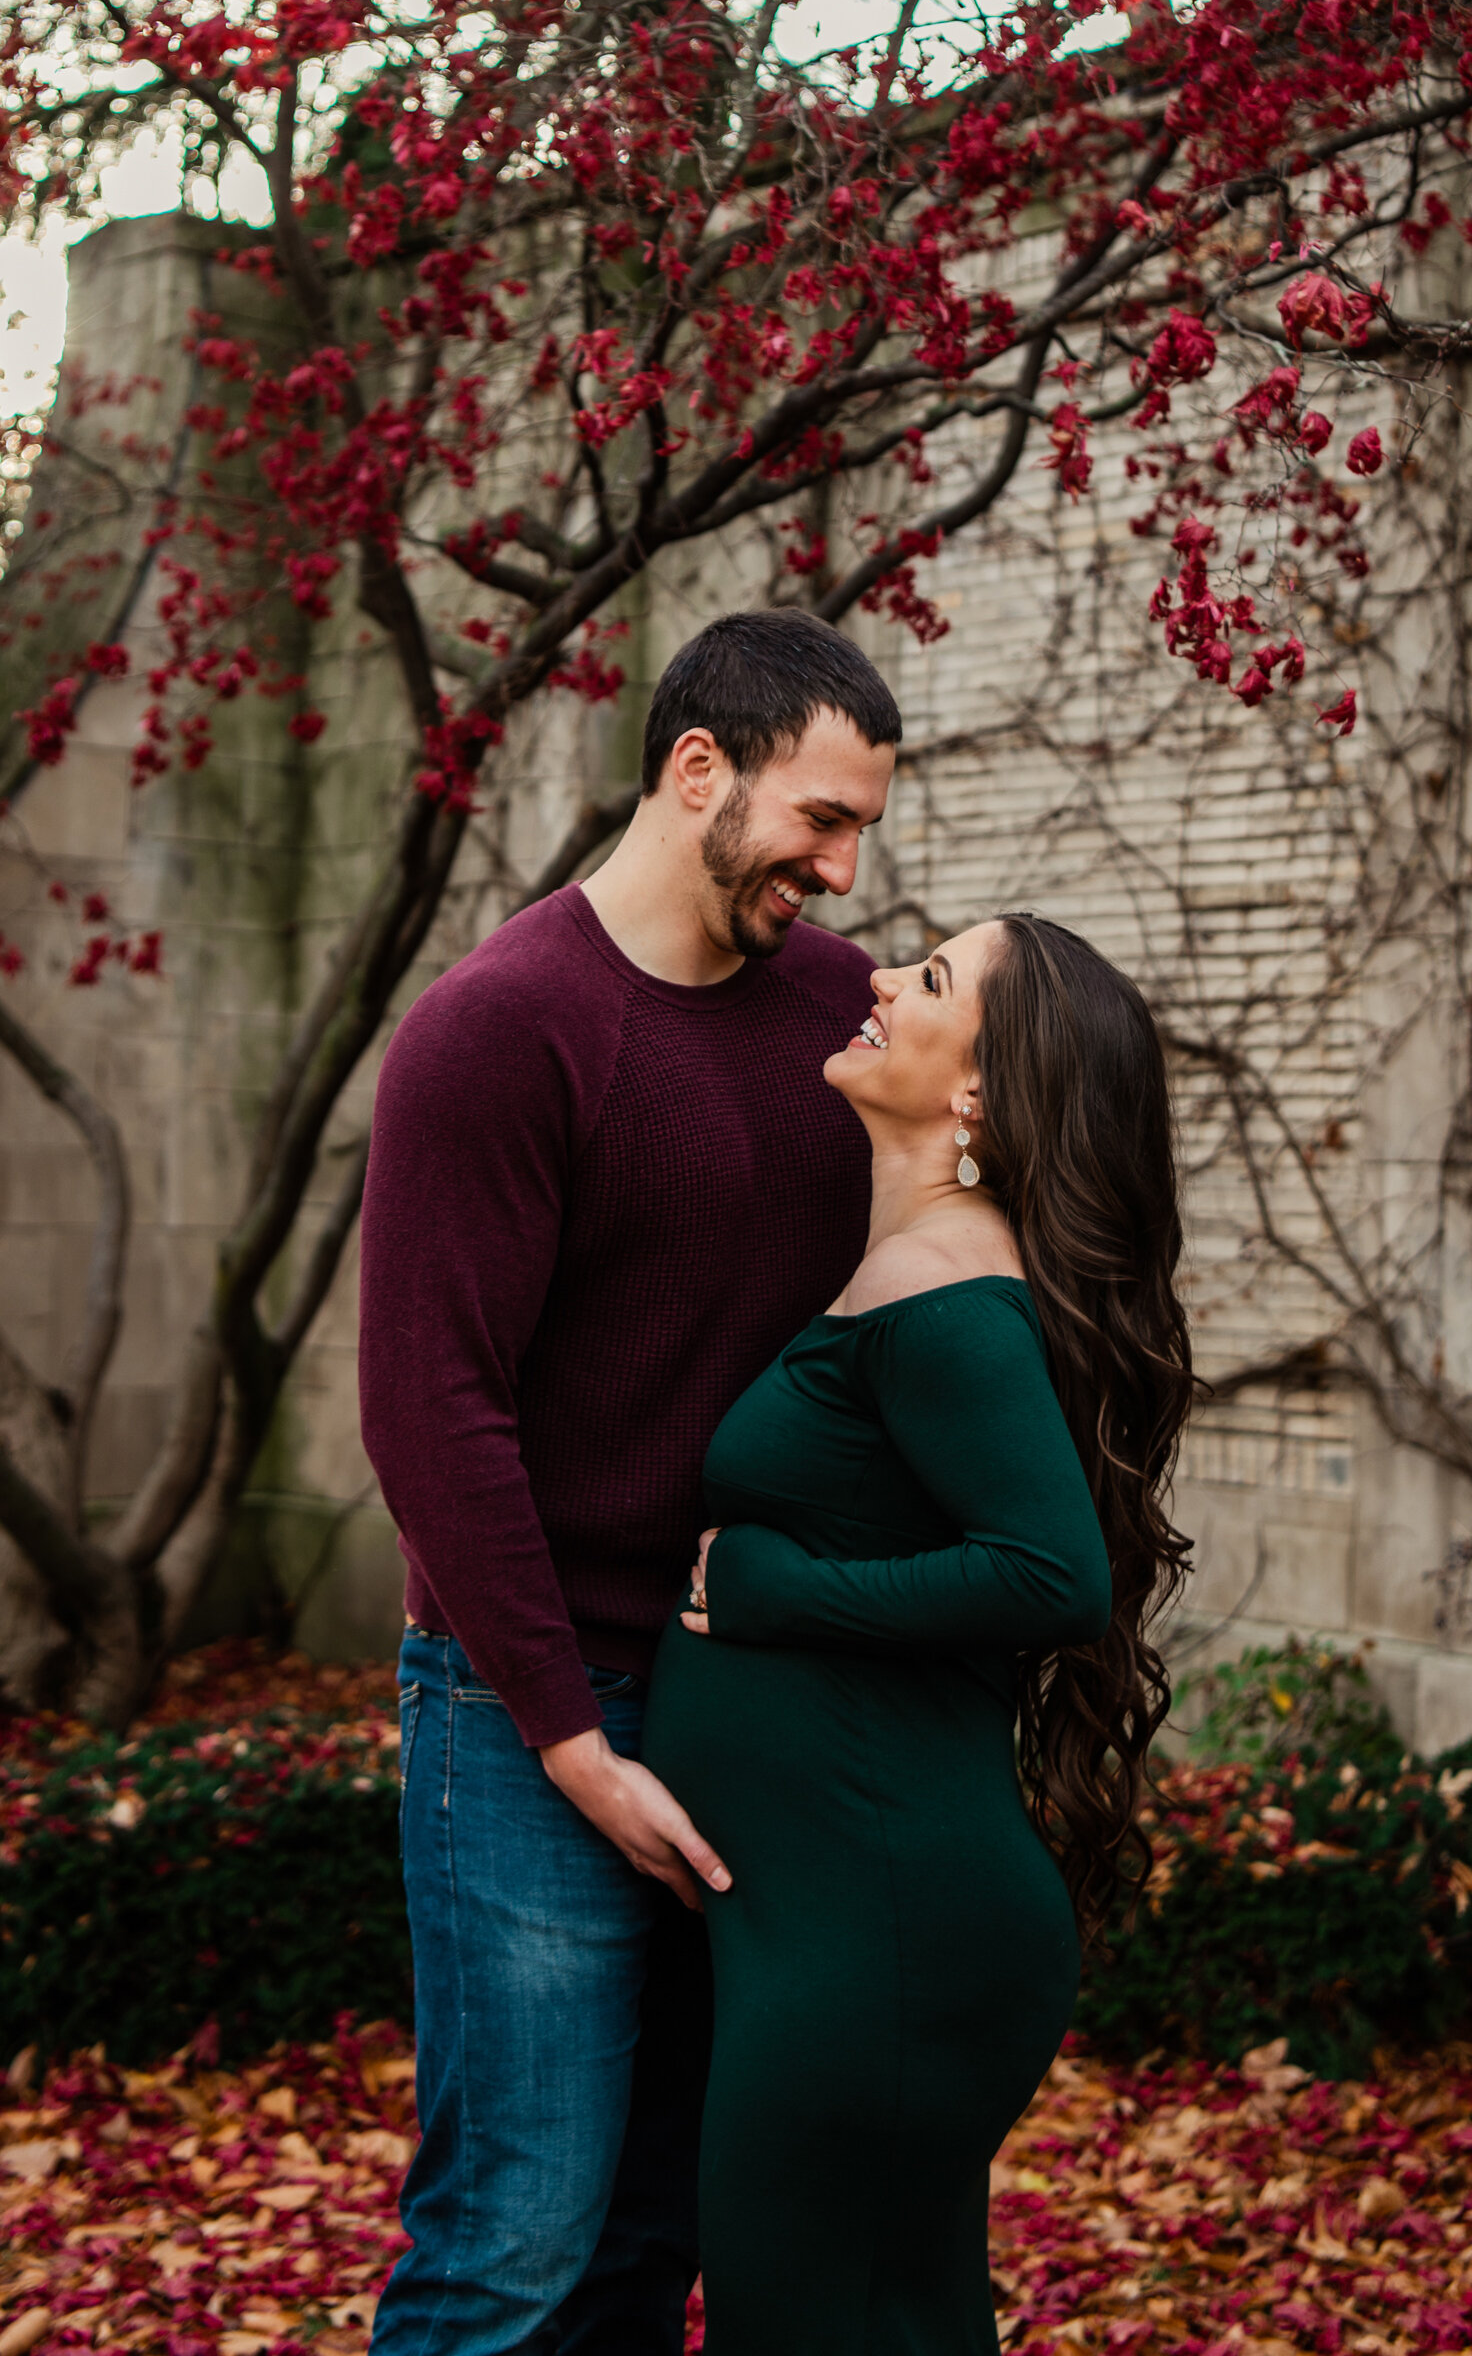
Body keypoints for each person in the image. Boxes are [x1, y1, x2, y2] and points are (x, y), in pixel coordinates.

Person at [357, 608, 901, 2355]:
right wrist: (577, 1751)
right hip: (531, 1710)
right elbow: (431, 1414)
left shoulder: (838, 1014)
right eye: (818, 820)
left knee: (655, 2231)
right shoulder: (496, 1032)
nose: (834, 868)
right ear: (696, 771)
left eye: (856, 834)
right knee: (512, 2242)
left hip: (745, 1690)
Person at [644, 912, 1196, 2356]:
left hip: (877, 1943)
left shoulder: (951, 1294)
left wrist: (775, 1594)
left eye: (932, 980)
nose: (881, 978)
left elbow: (1048, 1577)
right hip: (851, 1929)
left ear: (979, 1097)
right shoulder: (914, 1268)